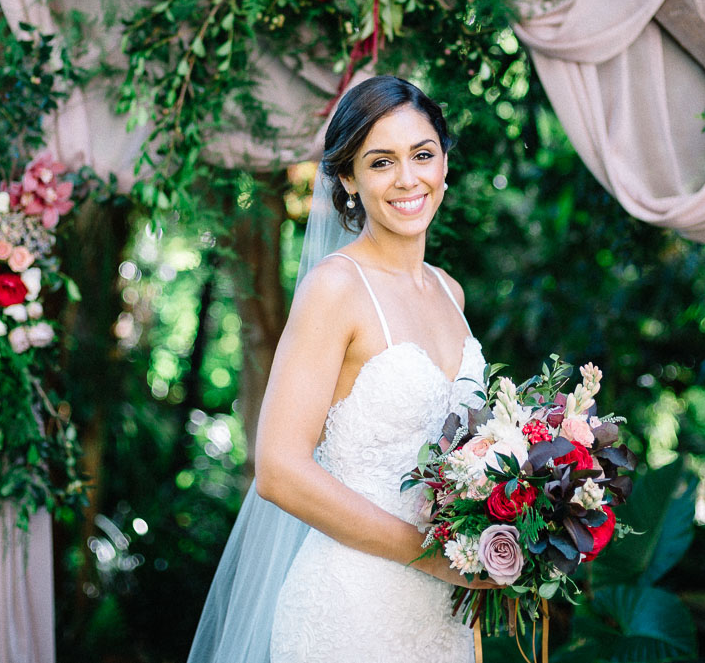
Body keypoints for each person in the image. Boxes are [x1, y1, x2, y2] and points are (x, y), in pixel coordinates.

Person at [186, 75, 498, 663]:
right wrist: (431, 556)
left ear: (445, 165)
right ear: (349, 180)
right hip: (352, 607)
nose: (408, 178)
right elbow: (279, 469)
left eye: (422, 155)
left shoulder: (449, 292)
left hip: (444, 615)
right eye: (381, 162)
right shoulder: (335, 287)